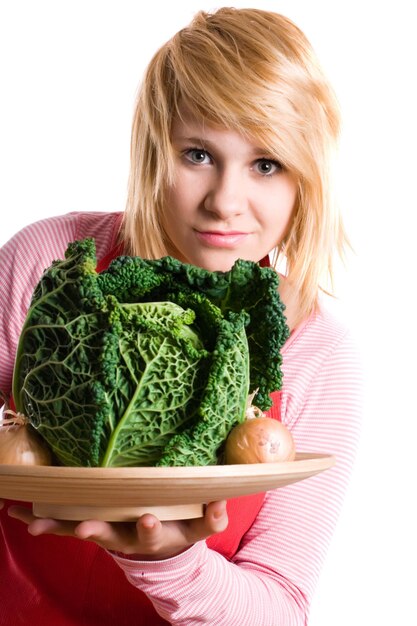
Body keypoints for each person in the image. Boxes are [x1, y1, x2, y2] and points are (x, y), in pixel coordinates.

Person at [0, 7, 362, 626]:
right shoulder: (48, 263)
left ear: (308, 179)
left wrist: (170, 561)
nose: (225, 202)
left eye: (266, 165)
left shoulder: (317, 354)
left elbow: (280, 608)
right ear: (152, 152)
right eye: (197, 154)